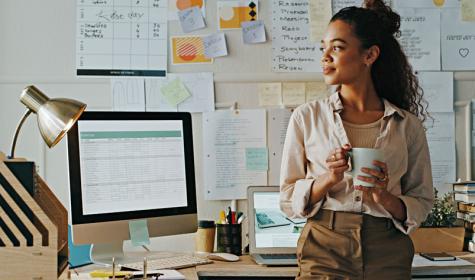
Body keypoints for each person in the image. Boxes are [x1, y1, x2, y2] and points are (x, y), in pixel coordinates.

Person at [279, 1, 434, 279]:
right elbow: (288, 198)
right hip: (324, 245)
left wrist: (383, 196)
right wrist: (328, 178)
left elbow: (421, 201)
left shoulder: (407, 125)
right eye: (323, 48)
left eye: (337, 47)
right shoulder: (306, 117)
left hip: (388, 248)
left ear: (369, 55)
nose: (325, 57)